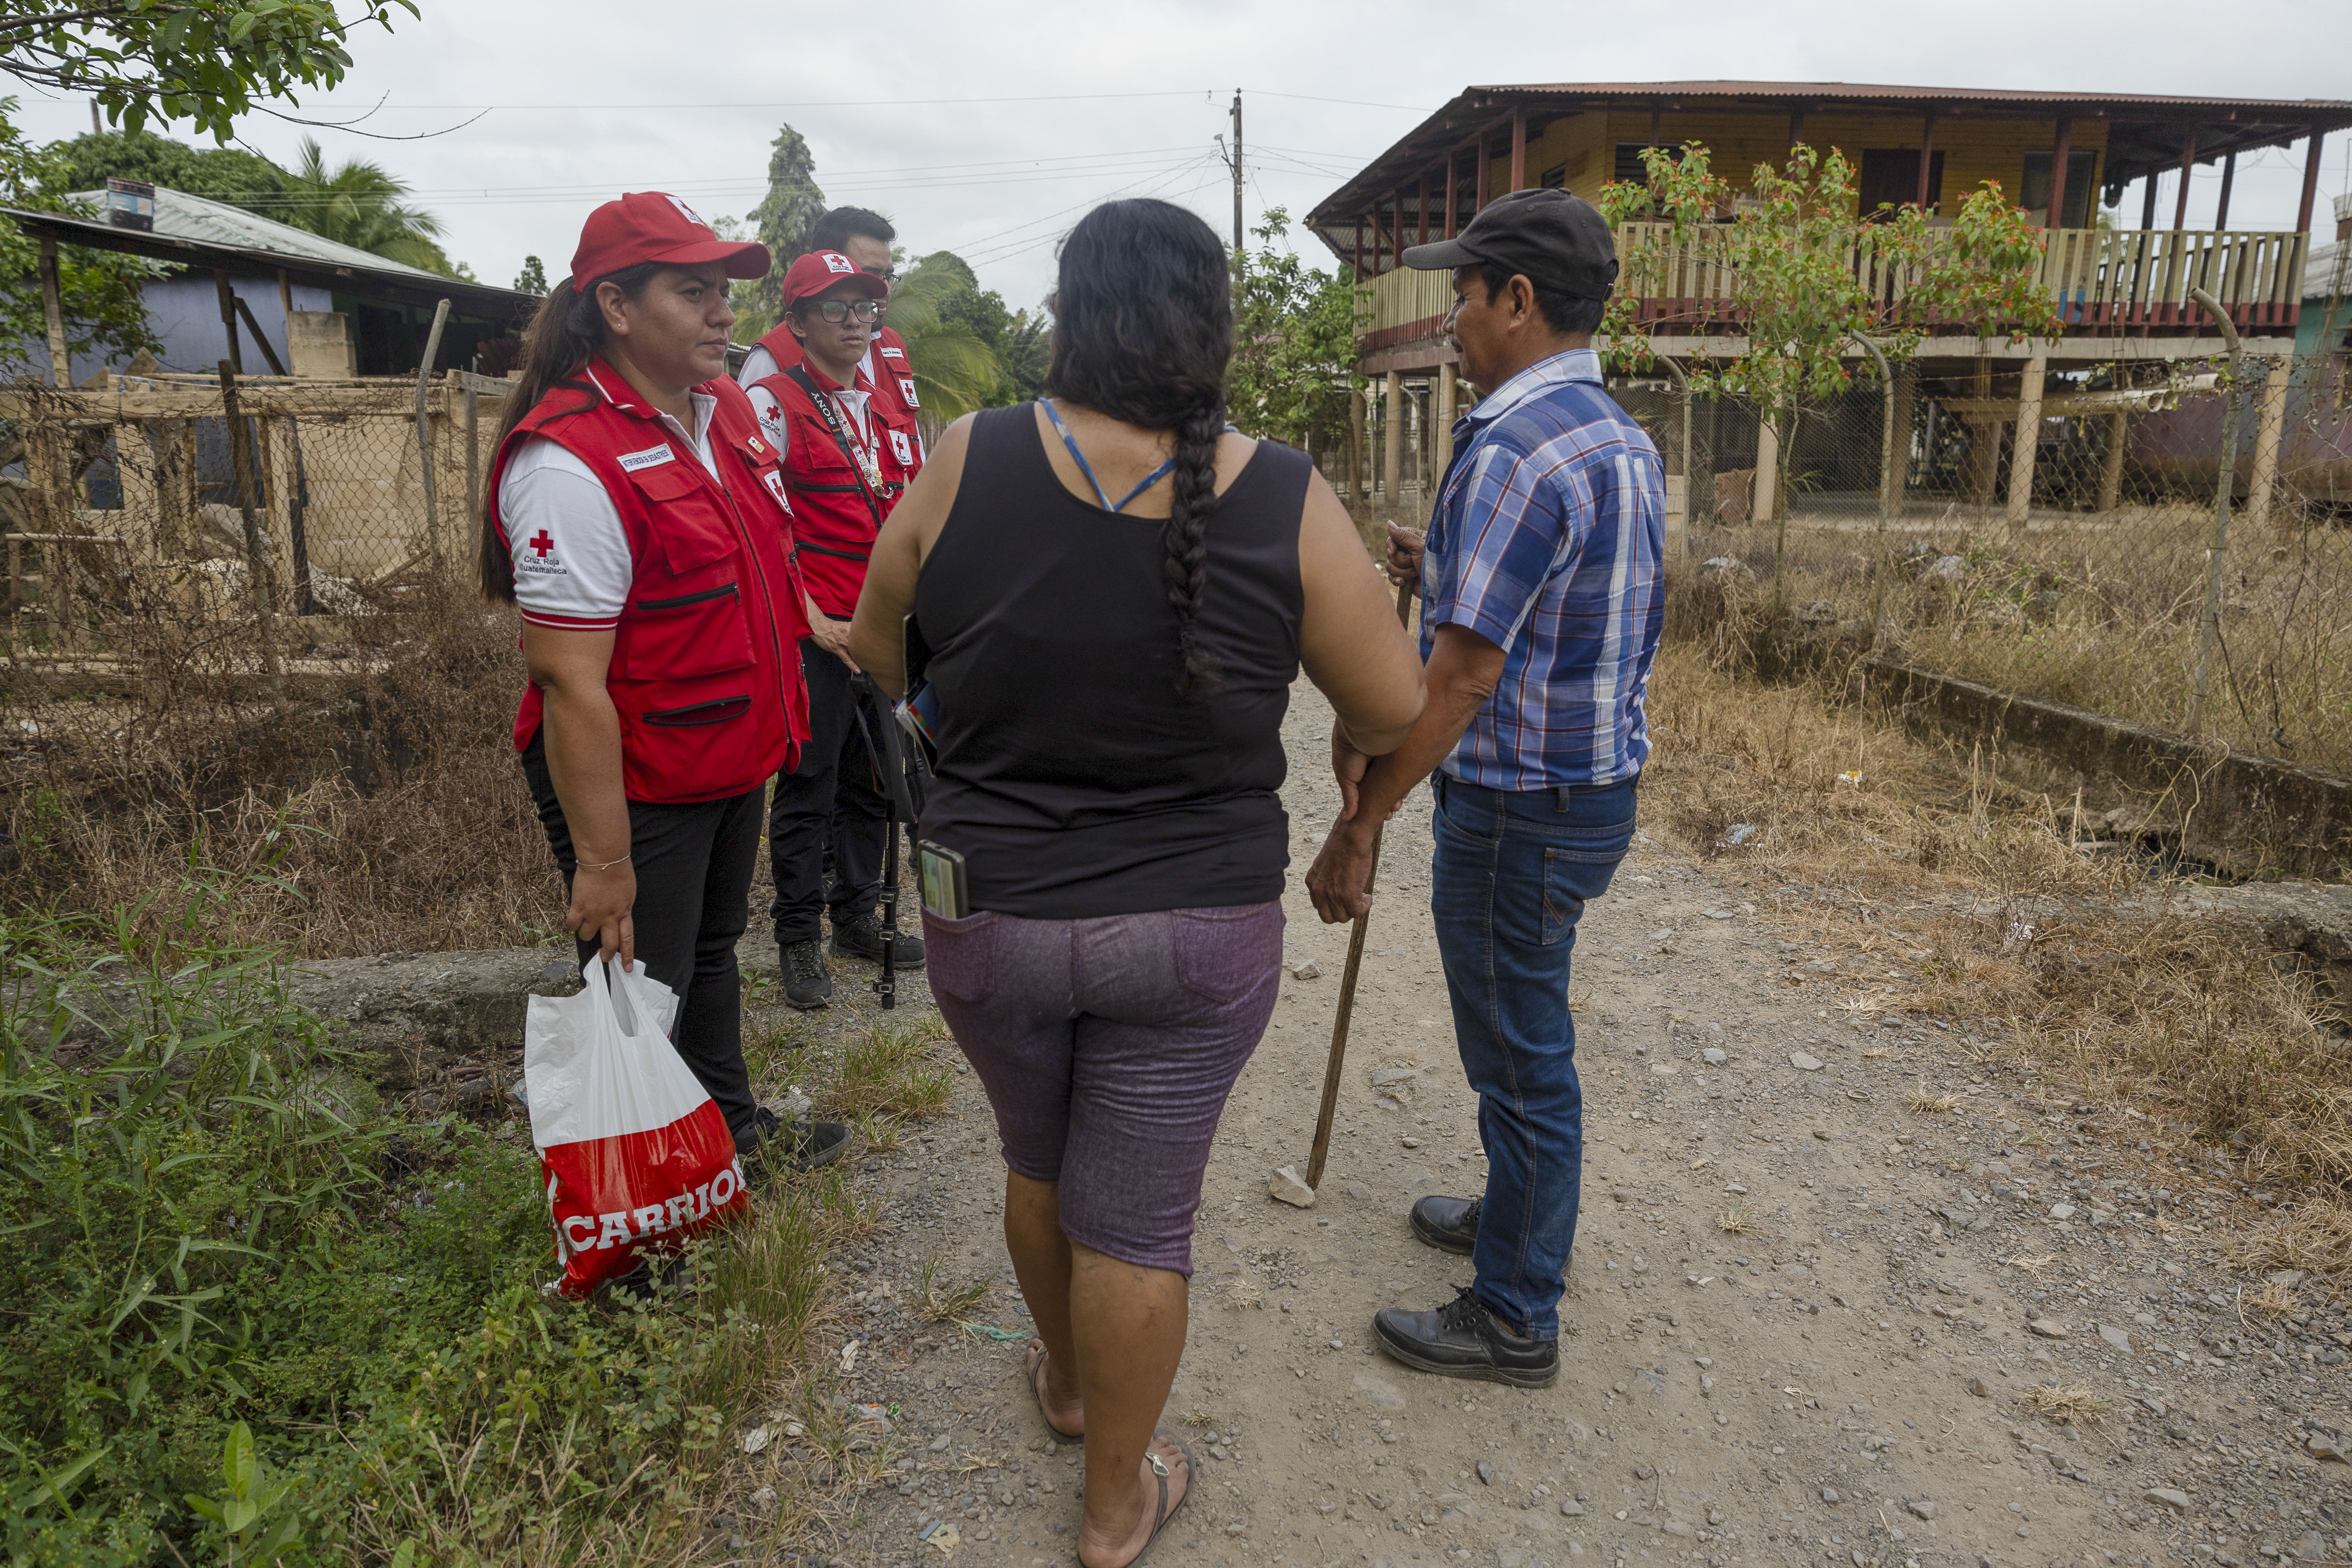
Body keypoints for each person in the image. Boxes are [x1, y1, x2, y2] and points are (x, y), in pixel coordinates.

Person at [849, 199, 1425, 1568]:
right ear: (1209, 329)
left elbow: (880, 653)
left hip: (989, 912)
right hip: (1192, 934)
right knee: (1141, 1214)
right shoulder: (1280, 491)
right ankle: (1117, 1508)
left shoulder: (965, 457)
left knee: (1038, 1162)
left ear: (1071, 318)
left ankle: (1062, 1384)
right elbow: (1395, 705)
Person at [1305, 188, 1665, 1387]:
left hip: (1519, 808)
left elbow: (1457, 679)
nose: (1450, 315)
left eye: (1463, 293)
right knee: (1521, 1038)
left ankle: (1514, 1312)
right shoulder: (1611, 432)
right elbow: (1551, 604)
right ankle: (1515, 1212)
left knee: (1520, 1056)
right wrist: (1444, 560)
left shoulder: (1511, 446)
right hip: (1584, 797)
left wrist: (1363, 822)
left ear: (1516, 300)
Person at [477, 191, 848, 1172]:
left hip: (727, 750)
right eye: (693, 290)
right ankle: (630, 1213)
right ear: (615, 306)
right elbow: (569, 683)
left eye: (724, 288)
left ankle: (727, 1133)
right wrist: (603, 864)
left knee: (714, 952)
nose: (725, 311)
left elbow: (767, 562)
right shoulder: (568, 460)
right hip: (635, 773)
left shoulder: (720, 409)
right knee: (636, 987)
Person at [747, 251, 927, 1009]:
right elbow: (763, 527)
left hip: (883, 628)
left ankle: (858, 915)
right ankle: (797, 937)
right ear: (797, 322)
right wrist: (810, 617)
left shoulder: (886, 407)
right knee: (809, 784)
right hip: (817, 630)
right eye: (836, 309)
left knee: (876, 781)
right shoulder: (771, 402)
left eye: (865, 308)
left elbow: (910, 511)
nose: (856, 322)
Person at [738, 205, 922, 431]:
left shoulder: (893, 345)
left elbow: (910, 444)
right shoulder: (774, 353)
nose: (884, 290)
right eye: (871, 275)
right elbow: (747, 445)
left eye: (889, 276)